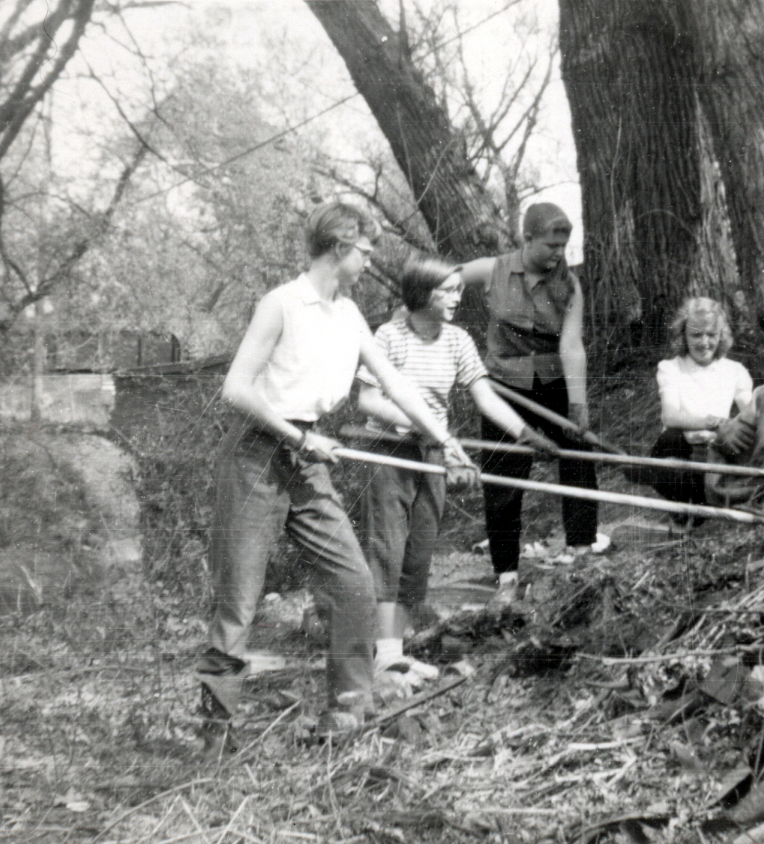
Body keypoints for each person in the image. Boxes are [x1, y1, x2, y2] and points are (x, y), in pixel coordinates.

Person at [195, 202, 478, 754]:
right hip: (257, 455)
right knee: (239, 601)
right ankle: (216, 730)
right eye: (366, 252)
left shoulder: (347, 314)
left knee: (354, 585)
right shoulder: (281, 304)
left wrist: (447, 443)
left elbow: (394, 384)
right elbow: (236, 388)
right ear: (338, 248)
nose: (371, 262)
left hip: (308, 461)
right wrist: (299, 438)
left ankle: (347, 712)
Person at [355, 256, 560, 686]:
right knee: (387, 547)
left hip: (434, 452)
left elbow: (484, 396)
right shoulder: (389, 336)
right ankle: (384, 658)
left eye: (457, 290)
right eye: (446, 291)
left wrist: (525, 433)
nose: (456, 297)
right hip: (390, 452)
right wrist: (417, 425)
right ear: (420, 293)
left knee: (419, 551)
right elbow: (368, 401)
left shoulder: (458, 340)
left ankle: (395, 653)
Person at [460, 202, 603, 608]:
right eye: (550, 244)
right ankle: (506, 571)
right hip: (505, 387)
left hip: (555, 383)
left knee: (577, 458)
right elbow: (442, 281)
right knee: (504, 475)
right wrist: (414, 307)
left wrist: (578, 404)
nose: (558, 253)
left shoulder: (570, 285)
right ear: (526, 238)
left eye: (564, 245)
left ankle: (581, 551)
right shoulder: (493, 269)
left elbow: (571, 344)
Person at [651, 296, 764, 520]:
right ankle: (689, 503)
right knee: (670, 440)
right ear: (684, 336)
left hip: (716, 453)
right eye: (696, 335)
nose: (704, 342)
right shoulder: (670, 368)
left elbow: (750, 414)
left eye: (711, 334)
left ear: (721, 335)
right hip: (682, 452)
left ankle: (763, 471)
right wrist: (717, 423)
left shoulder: (735, 370)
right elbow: (670, 416)